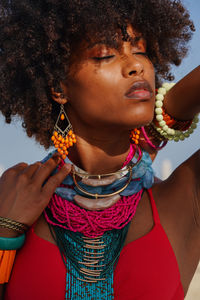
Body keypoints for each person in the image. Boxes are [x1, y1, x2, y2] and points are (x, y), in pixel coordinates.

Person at [0, 0, 199, 299]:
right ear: (59, 88)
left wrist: (162, 116)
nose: (136, 65)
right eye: (105, 54)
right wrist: (4, 231)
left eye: (141, 50)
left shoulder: (184, 198)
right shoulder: (17, 199)